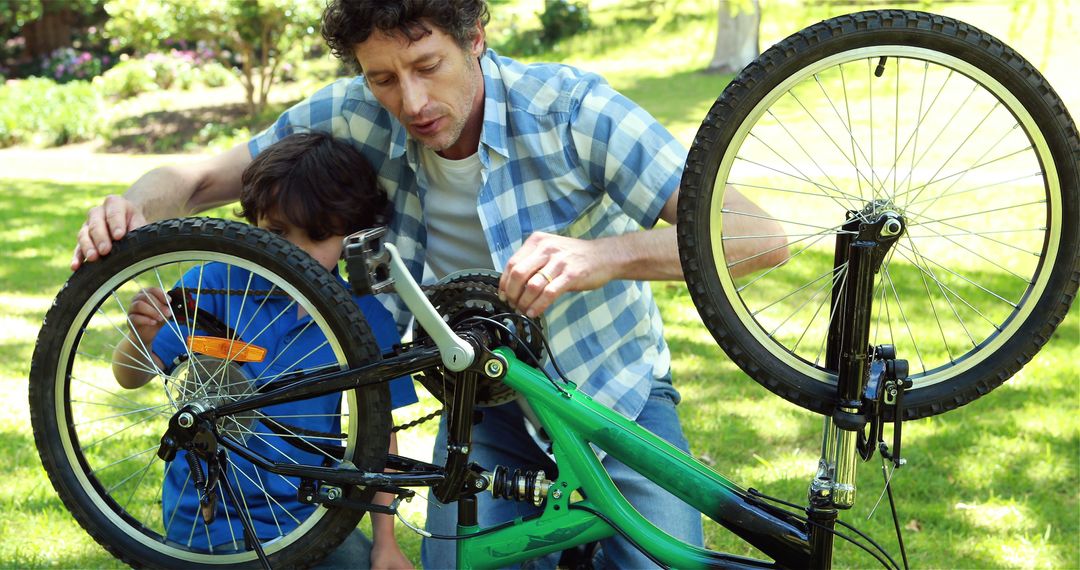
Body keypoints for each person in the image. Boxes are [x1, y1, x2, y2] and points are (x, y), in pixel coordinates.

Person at [76, 1, 789, 567]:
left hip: (611, 393)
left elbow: (758, 238)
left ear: (476, 35)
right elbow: (199, 179)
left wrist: (604, 255)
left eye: (426, 65)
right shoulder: (356, 111)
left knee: (664, 561)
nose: (410, 100)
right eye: (382, 77)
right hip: (482, 407)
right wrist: (130, 210)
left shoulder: (572, 112)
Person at [109, 132, 418, 569]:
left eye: (316, 236)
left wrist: (386, 542)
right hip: (206, 519)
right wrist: (139, 335)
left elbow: (380, 436)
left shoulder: (366, 319)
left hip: (309, 519)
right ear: (252, 221)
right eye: (275, 233)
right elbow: (130, 376)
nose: (293, 253)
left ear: (351, 235)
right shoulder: (213, 285)